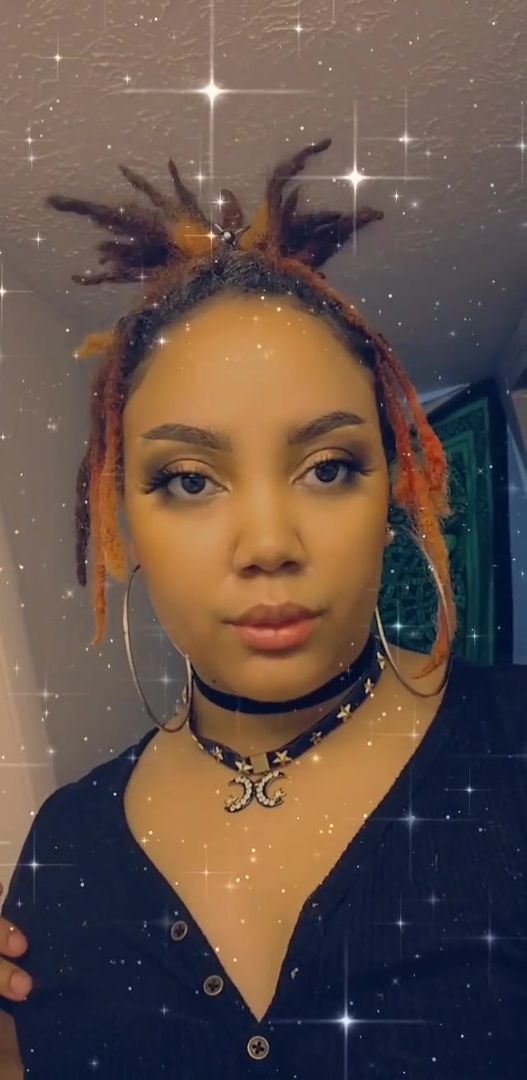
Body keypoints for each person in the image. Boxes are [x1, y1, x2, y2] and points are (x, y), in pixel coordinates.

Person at [0, 134, 525, 1079]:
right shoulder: (64, 852)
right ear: (121, 523)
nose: (269, 543)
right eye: (189, 479)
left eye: (327, 467)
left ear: (396, 491)